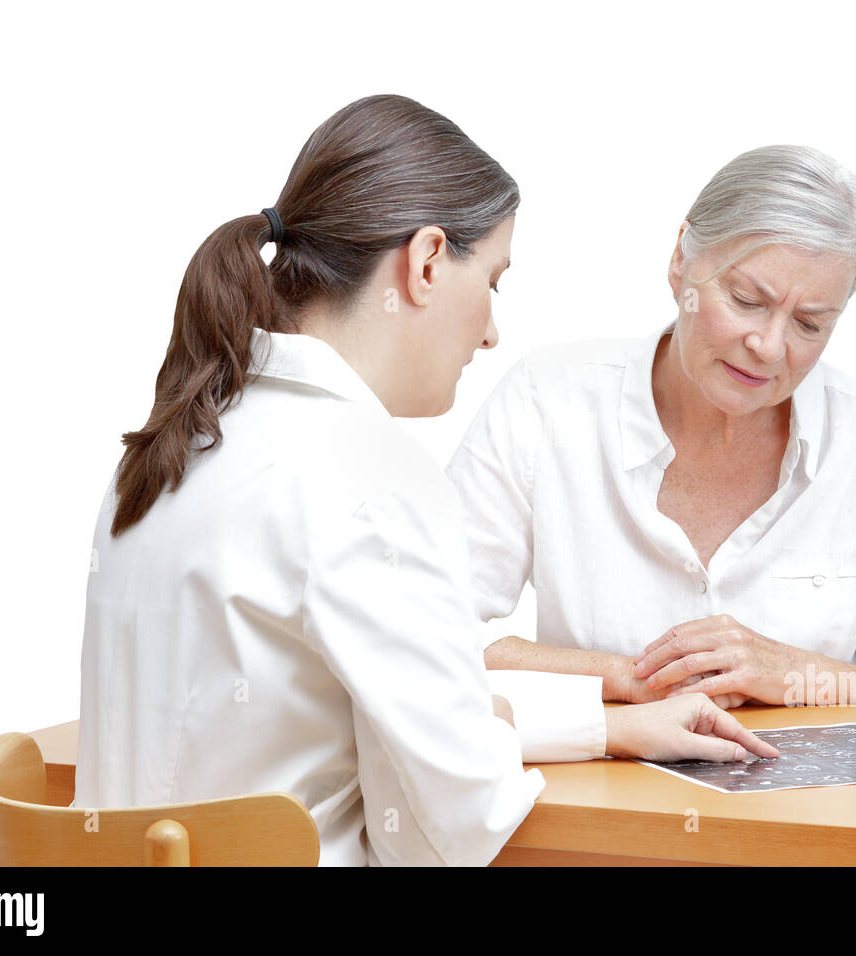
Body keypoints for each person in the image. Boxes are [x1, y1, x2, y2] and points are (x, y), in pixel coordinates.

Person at [73, 94, 773, 868]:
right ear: (428, 260)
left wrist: (605, 726)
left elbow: (394, 720)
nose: (491, 331)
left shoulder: (174, 444)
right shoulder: (369, 475)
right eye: (495, 282)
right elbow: (458, 819)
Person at [446, 145, 856, 716]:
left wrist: (796, 676)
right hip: (601, 803)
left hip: (814, 806)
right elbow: (426, 634)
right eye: (746, 300)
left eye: (809, 323)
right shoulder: (547, 401)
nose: (768, 346)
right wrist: (632, 679)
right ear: (680, 260)